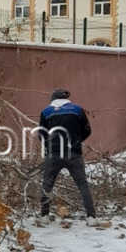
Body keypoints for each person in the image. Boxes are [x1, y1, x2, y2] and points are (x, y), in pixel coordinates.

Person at [38, 88, 96, 220]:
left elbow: (41, 134)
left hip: (54, 154)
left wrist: (49, 147)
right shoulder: (77, 110)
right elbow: (87, 130)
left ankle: (44, 216)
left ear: (53, 100)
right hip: (74, 153)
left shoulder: (46, 112)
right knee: (82, 184)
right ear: (66, 99)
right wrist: (76, 141)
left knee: (47, 184)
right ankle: (91, 216)